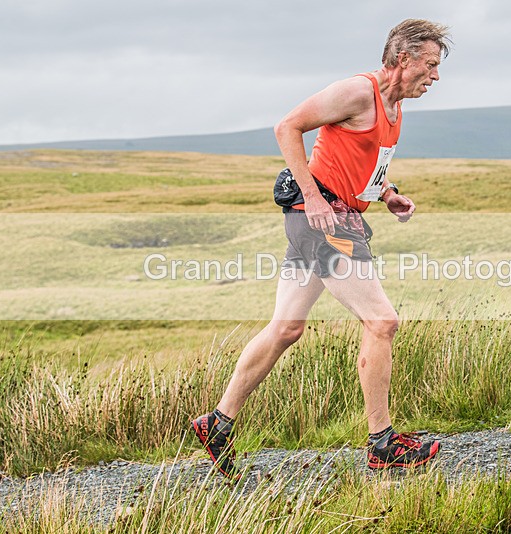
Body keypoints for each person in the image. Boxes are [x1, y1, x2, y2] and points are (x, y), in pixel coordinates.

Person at [191, 19, 452, 479]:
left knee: (286, 327)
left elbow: (366, 164)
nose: (435, 76)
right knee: (382, 321)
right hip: (321, 219)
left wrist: (388, 193)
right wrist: (312, 198)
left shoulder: (394, 109)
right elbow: (287, 127)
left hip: (331, 218)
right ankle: (382, 444)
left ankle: (218, 422)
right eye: (429, 66)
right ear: (403, 59)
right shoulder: (357, 92)